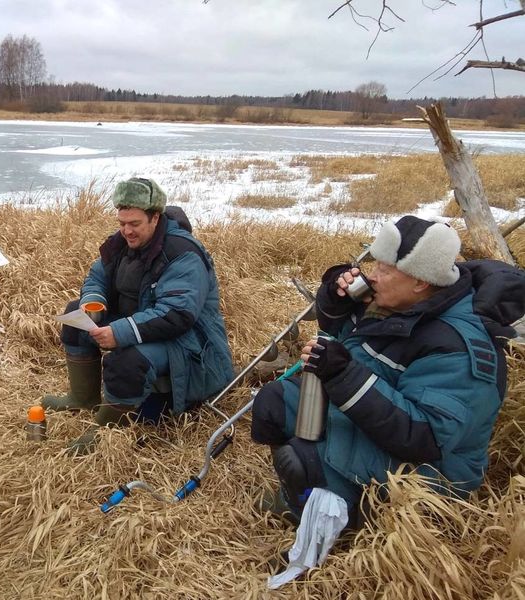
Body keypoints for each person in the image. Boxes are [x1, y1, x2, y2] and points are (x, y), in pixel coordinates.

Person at [251, 215, 525, 525]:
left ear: (420, 280)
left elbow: (422, 436)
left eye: (384, 269)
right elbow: (342, 331)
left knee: (301, 459)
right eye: (375, 264)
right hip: (377, 421)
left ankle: (332, 518)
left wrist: (342, 374)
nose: (373, 276)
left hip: (431, 471)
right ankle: (303, 495)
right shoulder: (397, 301)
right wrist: (334, 297)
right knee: (273, 402)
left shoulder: (458, 346)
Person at [43, 177, 234, 454]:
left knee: (128, 361)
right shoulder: (122, 243)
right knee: (75, 315)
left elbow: (177, 314)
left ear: (155, 217)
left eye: (134, 224)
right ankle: (82, 397)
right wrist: (92, 301)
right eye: (121, 223)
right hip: (146, 324)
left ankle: (107, 431)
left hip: (189, 344)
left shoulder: (183, 254)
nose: (126, 231)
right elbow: (97, 276)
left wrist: (120, 332)